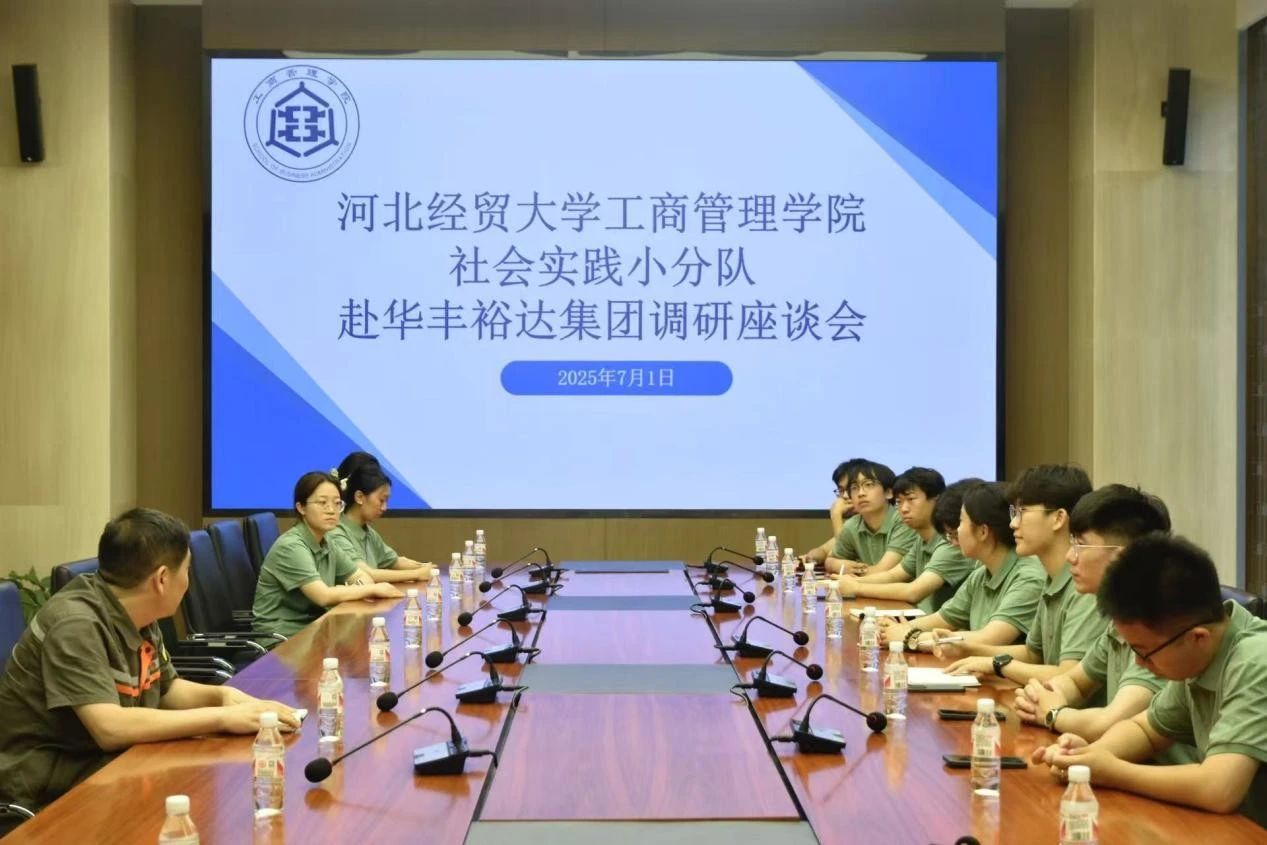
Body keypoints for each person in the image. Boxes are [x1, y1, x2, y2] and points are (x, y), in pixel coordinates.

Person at [0, 509, 299, 832]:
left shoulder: (136, 609)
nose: (189, 580)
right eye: (187, 569)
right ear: (162, 579)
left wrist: (223, 697)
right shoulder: (75, 625)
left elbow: (166, 689)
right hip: (49, 791)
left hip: (107, 765)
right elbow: (109, 728)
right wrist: (222, 718)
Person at [1035, 534, 1267, 827]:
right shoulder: (1199, 652)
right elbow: (1146, 730)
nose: (1138, 663)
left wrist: (1111, 771)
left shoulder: (1255, 660)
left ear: (1198, 638)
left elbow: (1219, 789)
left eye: (1144, 652)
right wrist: (1089, 755)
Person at [1014, 485, 1173, 740]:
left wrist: (1052, 713)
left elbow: (1112, 722)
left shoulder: (1161, 625)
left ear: (1124, 558)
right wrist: (1038, 697)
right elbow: (1075, 682)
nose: (1070, 556)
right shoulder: (1121, 617)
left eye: (1080, 545)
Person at [943, 465, 1098, 686]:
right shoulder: (1052, 577)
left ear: (1058, 518)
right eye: (1013, 513)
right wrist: (969, 649)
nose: (1013, 523)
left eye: (1021, 512)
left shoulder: (1084, 585)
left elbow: (1068, 675)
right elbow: (1033, 653)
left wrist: (997, 665)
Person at [878, 482, 1045, 652]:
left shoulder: (1029, 577)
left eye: (961, 522)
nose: (956, 532)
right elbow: (943, 618)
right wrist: (894, 629)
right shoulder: (981, 574)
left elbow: (988, 639)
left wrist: (911, 637)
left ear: (983, 531)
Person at [253, 471, 402, 636]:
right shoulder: (291, 546)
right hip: (282, 637)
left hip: (315, 628)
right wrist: (371, 590)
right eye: (322, 503)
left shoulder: (327, 541)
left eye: (337, 503)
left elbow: (360, 576)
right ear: (301, 507)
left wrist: (361, 586)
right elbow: (323, 596)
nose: (331, 510)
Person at [834, 470, 978, 614]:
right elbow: (894, 575)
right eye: (899, 502)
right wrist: (850, 582)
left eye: (911, 499)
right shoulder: (921, 539)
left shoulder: (952, 543)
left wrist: (856, 588)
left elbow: (914, 591)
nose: (903, 509)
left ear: (936, 500)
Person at [327, 452, 434, 584]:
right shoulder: (336, 533)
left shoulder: (368, 532)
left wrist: (427, 568)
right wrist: (417, 574)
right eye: (381, 500)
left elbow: (394, 561)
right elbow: (365, 574)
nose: (384, 508)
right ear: (359, 497)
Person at [804, 460, 919, 576]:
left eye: (869, 485)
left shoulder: (904, 520)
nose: (861, 493)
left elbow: (883, 571)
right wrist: (840, 565)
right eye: (854, 488)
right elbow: (830, 560)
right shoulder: (852, 524)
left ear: (889, 492)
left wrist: (852, 573)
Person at [828, 458, 862, 536]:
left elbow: (843, 544)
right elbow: (825, 547)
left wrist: (836, 516)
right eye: (841, 490)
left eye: (852, 488)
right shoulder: (855, 523)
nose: (845, 496)